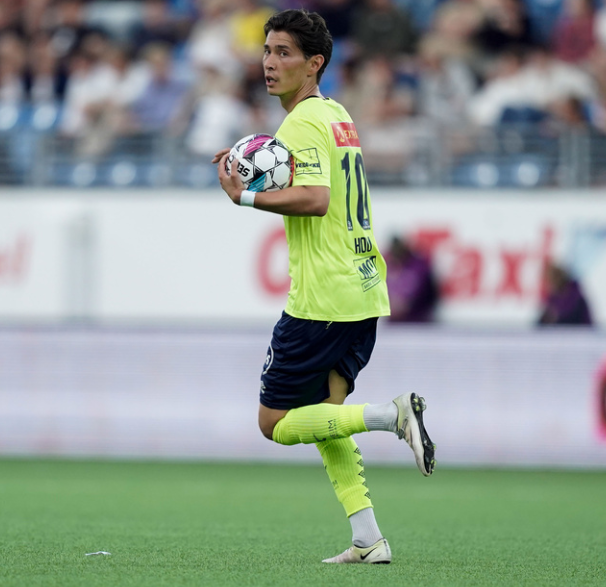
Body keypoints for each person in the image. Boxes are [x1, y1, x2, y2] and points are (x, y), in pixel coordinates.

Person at [212, 9, 436, 565]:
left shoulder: (303, 123)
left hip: (323, 297)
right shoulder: (337, 116)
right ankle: (369, 538)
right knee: (327, 420)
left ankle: (392, 415)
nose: (269, 62)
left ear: (315, 64)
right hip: (362, 289)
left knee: (276, 423)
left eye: (284, 52)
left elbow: (314, 198)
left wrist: (245, 195)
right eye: (267, 50)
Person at [387, 236, 440, 323]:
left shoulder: (419, 267)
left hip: (419, 318)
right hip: (396, 321)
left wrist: (409, 306)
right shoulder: (390, 266)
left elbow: (428, 293)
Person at [537, 261, 594, 326]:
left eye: (550, 279)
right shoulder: (553, 298)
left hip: (581, 333)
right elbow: (542, 321)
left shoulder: (573, 293)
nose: (549, 284)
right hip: (563, 333)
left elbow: (568, 317)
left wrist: (553, 318)